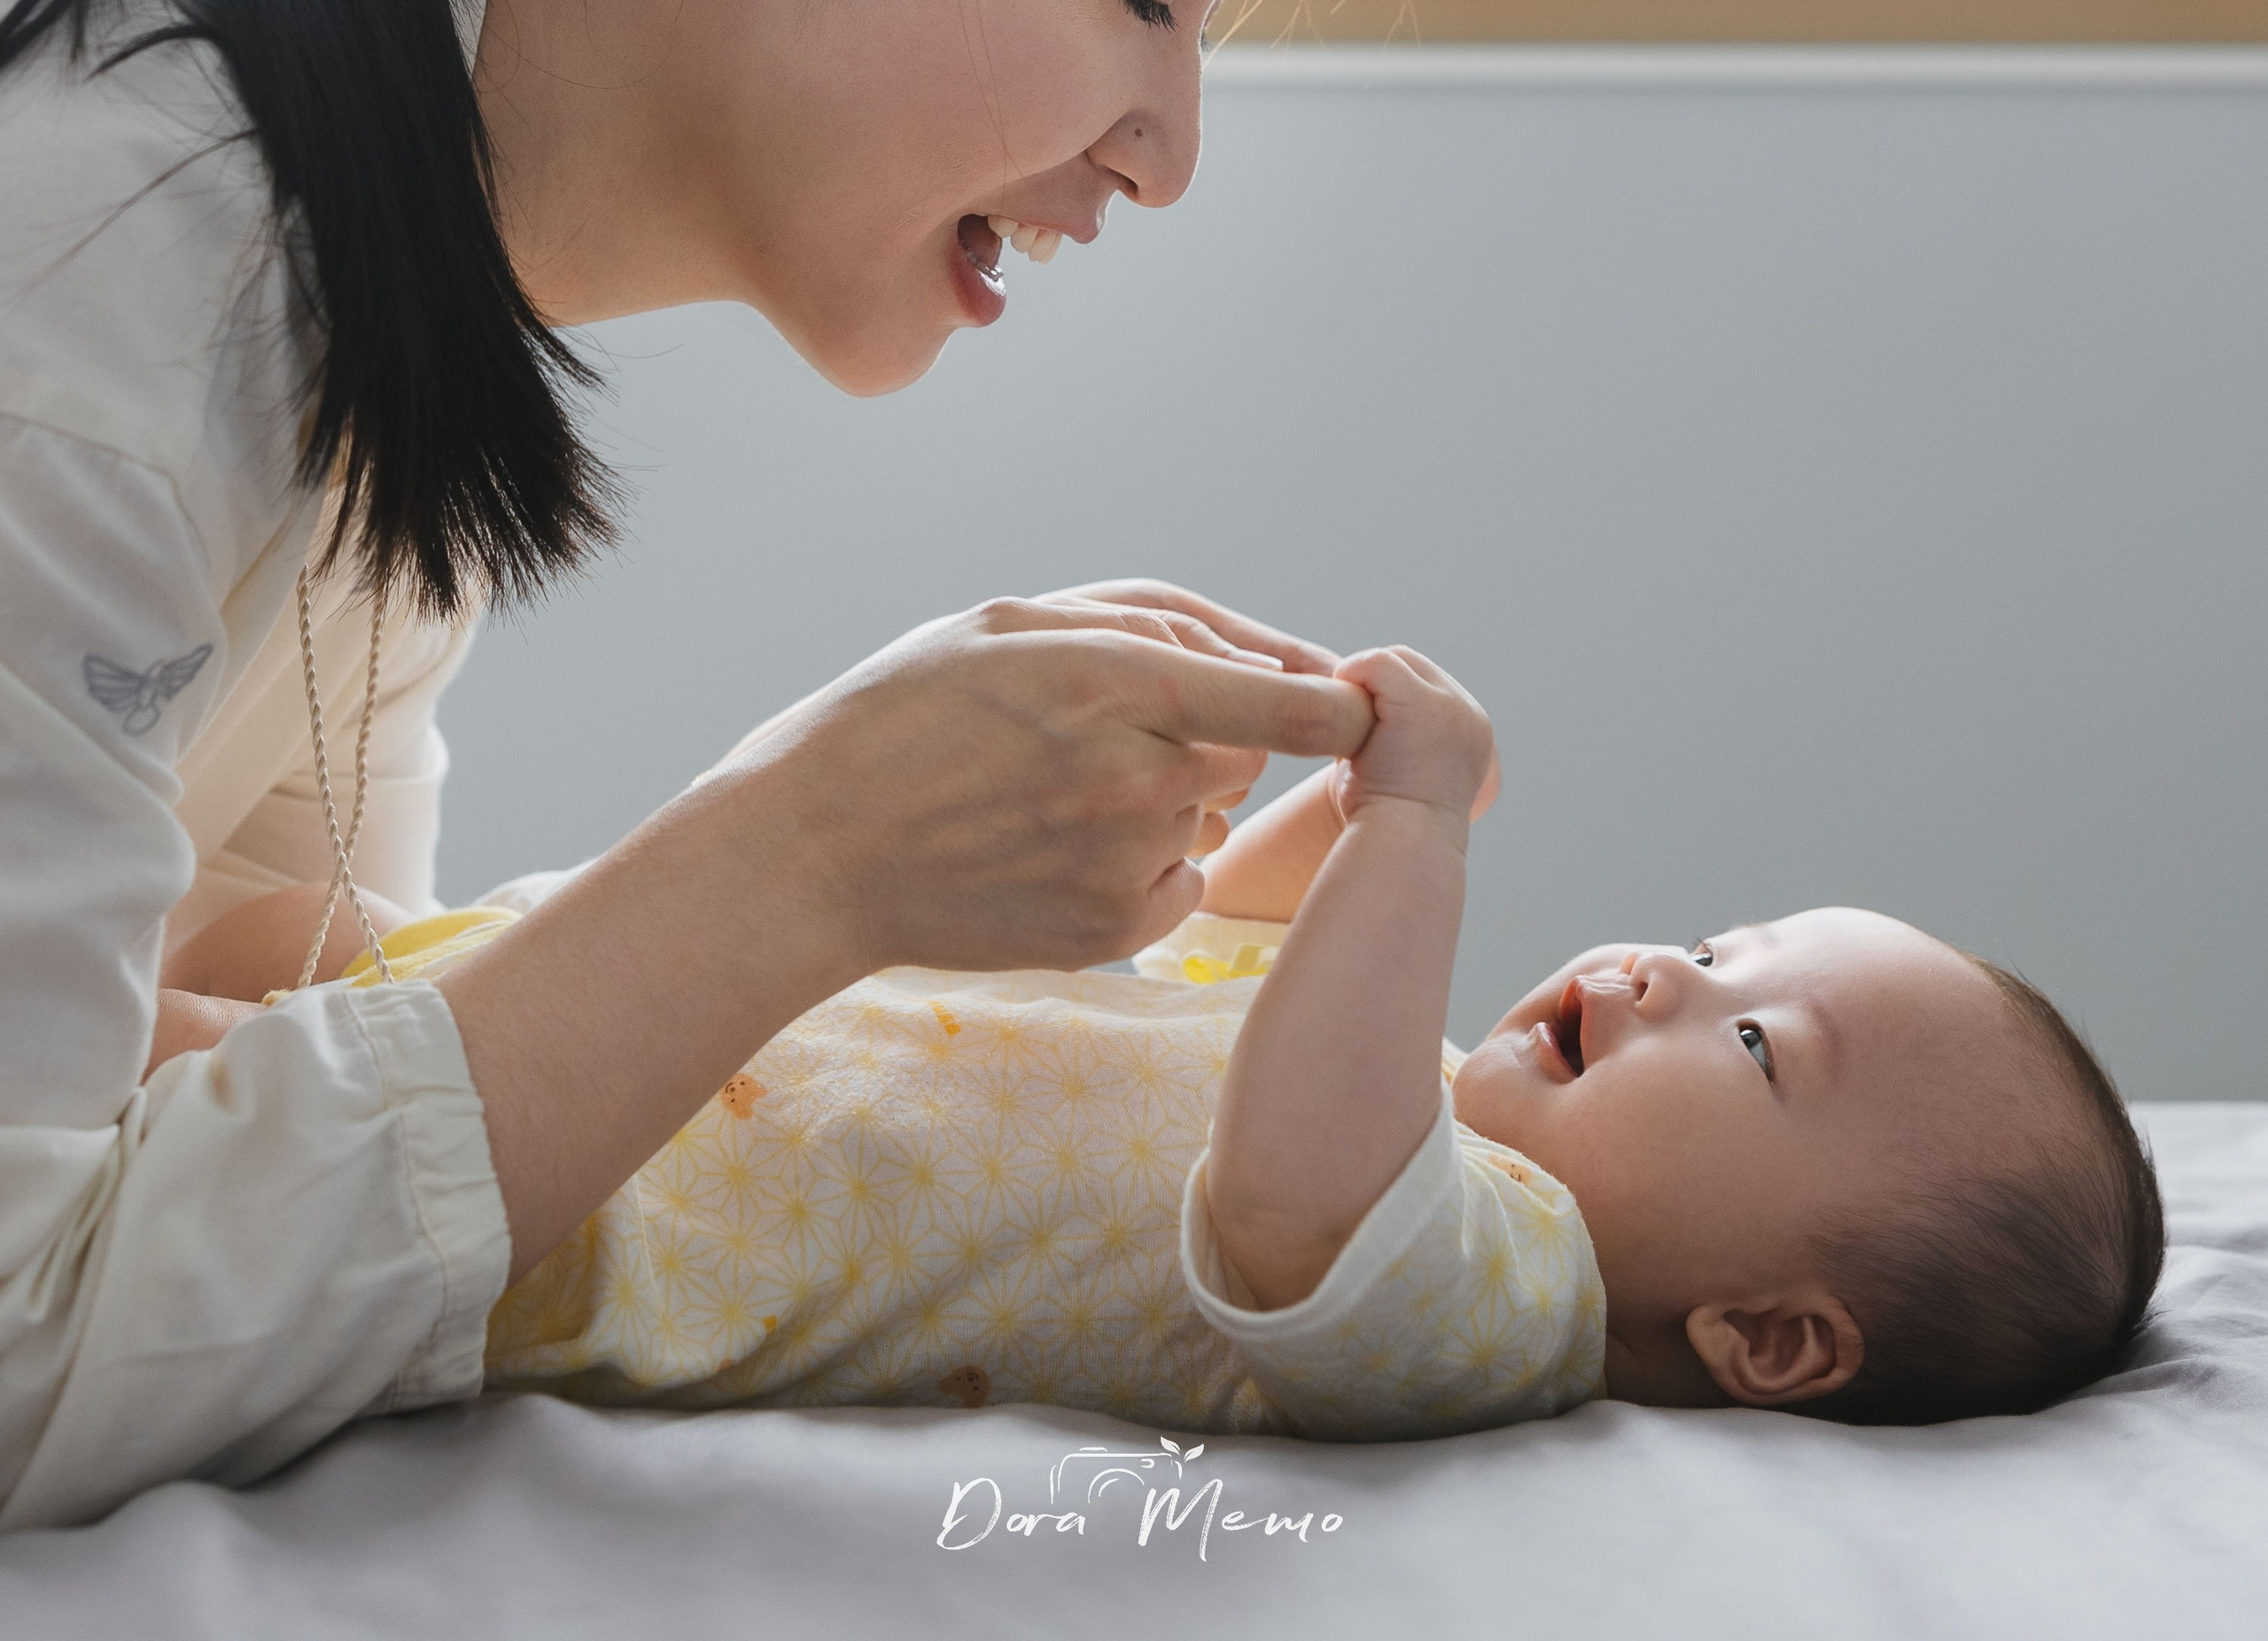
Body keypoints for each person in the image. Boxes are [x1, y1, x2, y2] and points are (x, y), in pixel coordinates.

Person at [0, 0, 1377, 1532]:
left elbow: (235, 1035)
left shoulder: (385, 235)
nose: (1166, 149)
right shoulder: (106, 245)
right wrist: (802, 862)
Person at [181, 641, 2164, 1435]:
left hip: (575, 1192)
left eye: (1750, 1048)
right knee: (199, 912)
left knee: (149, 1077)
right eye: (1722, 944)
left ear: (1771, 1338)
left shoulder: (1494, 1298)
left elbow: (1292, 1179)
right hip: (577, 979)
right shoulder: (1413, 1110)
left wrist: (1407, 845)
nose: (1662, 972)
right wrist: (1325, 786)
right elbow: (1221, 944)